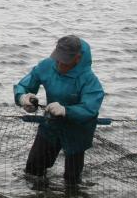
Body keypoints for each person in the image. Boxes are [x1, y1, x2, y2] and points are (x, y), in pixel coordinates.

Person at [15, 35, 105, 190]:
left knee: (72, 181)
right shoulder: (47, 65)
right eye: (57, 59)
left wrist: (66, 110)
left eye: (64, 61)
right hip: (50, 126)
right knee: (32, 172)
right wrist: (23, 97)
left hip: (77, 131)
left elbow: (90, 108)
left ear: (77, 58)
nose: (59, 64)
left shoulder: (89, 79)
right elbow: (25, 85)